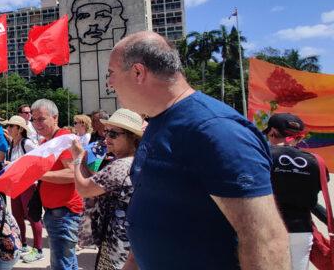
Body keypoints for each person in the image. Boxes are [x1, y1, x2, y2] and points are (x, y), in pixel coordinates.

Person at [109, 31, 288, 269]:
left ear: (138, 72)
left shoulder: (215, 130)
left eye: (110, 74)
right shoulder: (158, 123)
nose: (109, 83)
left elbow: (265, 239)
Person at [70, 109, 143, 270]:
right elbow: (98, 182)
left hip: (116, 247)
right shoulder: (135, 161)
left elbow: (84, 188)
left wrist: (77, 159)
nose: (106, 138)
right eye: (107, 132)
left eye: (113, 134)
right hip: (129, 243)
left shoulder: (120, 165)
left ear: (132, 137)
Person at [265, 113, 326, 270]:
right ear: (299, 138)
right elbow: (310, 199)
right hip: (301, 231)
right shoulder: (316, 162)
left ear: (272, 132)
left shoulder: (262, 157)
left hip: (266, 228)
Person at [31, 98, 84, 270]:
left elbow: (73, 173)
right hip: (57, 212)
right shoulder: (49, 141)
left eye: (41, 119)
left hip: (64, 212)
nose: (36, 123)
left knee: (62, 265)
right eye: (33, 119)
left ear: (55, 118)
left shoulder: (63, 140)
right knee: (67, 262)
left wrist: (39, 174)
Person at [0, 115, 43, 263]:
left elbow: (38, 159)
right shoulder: (11, 144)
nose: (8, 129)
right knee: (17, 215)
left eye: (11, 126)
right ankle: (23, 244)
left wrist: (13, 164)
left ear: (19, 129)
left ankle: (38, 249)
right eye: (8, 126)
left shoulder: (28, 143)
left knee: (32, 216)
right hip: (15, 185)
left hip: (28, 185)